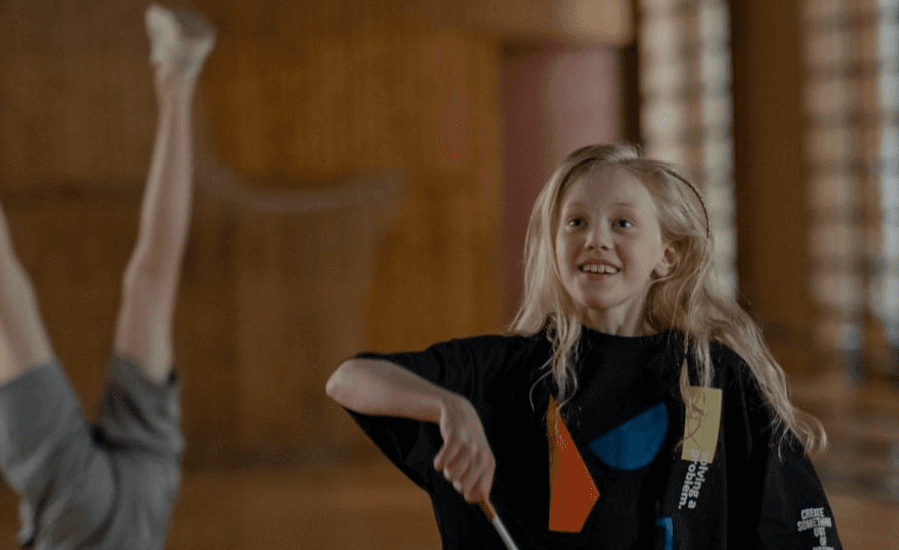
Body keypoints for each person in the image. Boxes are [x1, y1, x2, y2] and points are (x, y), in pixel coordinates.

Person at [325, 144, 844, 549]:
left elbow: (792, 526)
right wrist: (448, 406)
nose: (596, 239)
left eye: (622, 223)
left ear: (665, 255)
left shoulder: (711, 376)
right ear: (554, 247)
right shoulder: (509, 371)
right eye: (576, 222)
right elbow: (348, 379)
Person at [0, 5, 214, 549]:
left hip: (149, 491)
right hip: (72, 511)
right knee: (2, 287)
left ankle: (179, 77)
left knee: (152, 282)